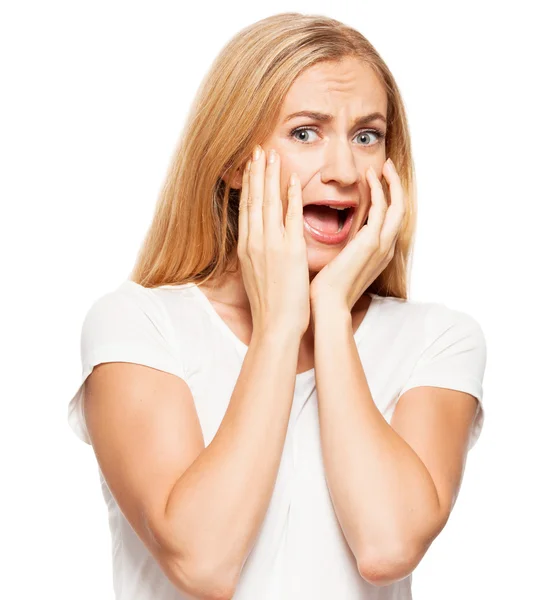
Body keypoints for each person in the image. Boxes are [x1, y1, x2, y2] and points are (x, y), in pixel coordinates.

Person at [67, 11, 487, 600]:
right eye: (305, 133)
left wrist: (333, 314)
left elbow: (387, 545)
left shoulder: (439, 341)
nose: (344, 171)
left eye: (366, 136)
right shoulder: (137, 326)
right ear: (237, 161)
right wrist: (279, 325)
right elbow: (203, 562)